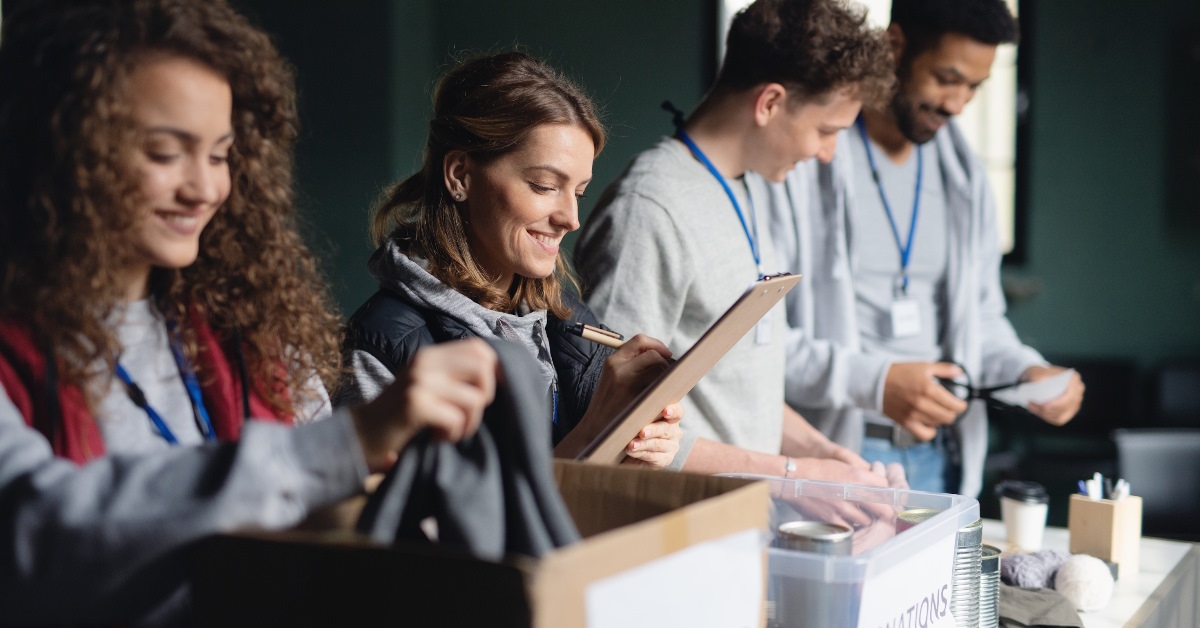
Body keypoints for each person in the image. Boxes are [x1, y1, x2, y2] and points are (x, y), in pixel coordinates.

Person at [0, 1, 500, 623]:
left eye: (218, 155)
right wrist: (347, 444)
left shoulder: (250, 322)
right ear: (62, 149)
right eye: (164, 153)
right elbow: (38, 536)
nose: (205, 187)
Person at [762, 0, 1085, 497]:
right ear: (895, 45)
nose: (957, 103)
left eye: (974, 87)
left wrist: (1026, 369)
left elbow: (982, 320)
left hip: (942, 459)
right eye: (945, 77)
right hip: (836, 457)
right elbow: (762, 341)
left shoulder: (966, 178)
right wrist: (877, 382)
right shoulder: (807, 159)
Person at [575, 0, 897, 483]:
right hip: (673, 529)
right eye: (826, 131)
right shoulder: (647, 208)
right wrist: (794, 473)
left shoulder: (747, 187)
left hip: (738, 523)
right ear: (770, 103)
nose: (829, 154)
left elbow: (735, 381)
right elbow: (620, 423)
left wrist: (822, 452)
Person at [337, 52, 683, 469]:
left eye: (579, 192)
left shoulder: (567, 320)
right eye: (544, 185)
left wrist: (634, 452)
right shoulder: (379, 351)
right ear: (460, 175)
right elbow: (423, 530)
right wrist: (595, 435)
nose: (571, 219)